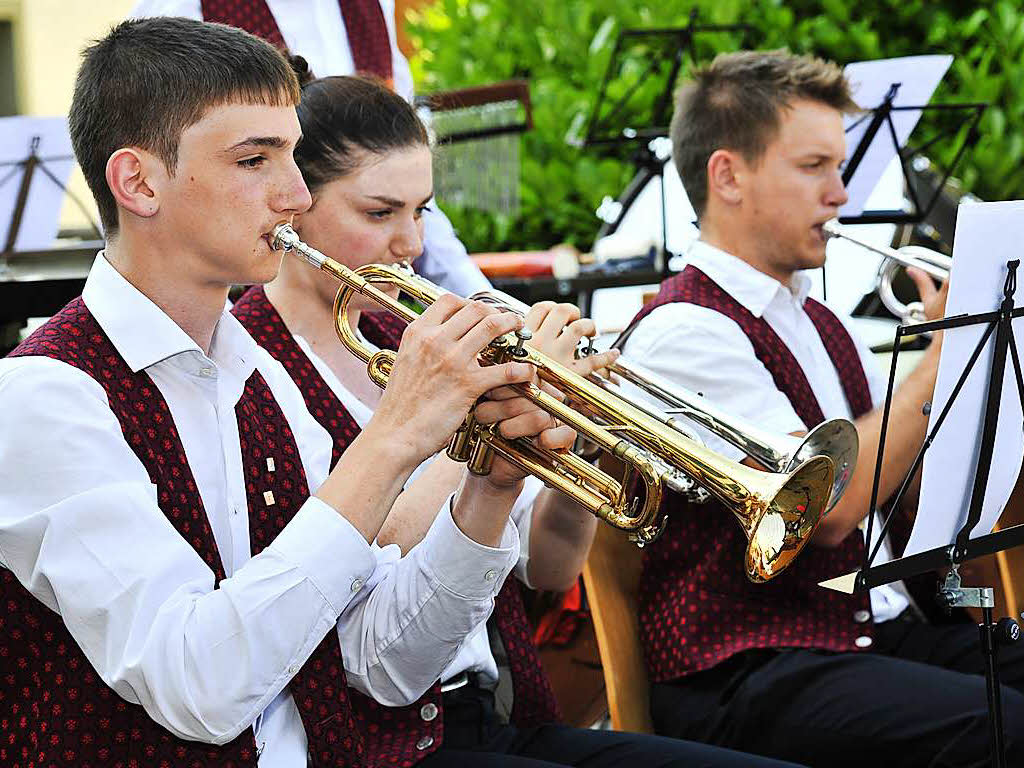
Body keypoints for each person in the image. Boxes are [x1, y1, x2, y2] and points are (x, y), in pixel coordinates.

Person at [0, 17, 576, 767]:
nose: (296, 194)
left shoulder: (260, 378)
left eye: (294, 158)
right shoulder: (40, 398)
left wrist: (489, 485)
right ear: (138, 182)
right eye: (254, 161)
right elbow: (198, 687)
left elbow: (379, 667)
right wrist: (396, 435)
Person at [229, 66, 803, 768]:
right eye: (379, 214)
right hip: (371, 738)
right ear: (296, 205)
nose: (411, 244)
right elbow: (347, 567)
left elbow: (553, 570)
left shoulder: (405, 337)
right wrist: (469, 413)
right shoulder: (248, 369)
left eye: (422, 212)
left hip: (495, 711)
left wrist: (580, 447)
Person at [618, 49, 1024, 768]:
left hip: (866, 629)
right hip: (751, 667)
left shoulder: (819, 321)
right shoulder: (684, 331)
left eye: (839, 168)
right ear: (728, 175)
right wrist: (939, 362)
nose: (840, 194)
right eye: (814, 168)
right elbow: (825, 510)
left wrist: (982, 363)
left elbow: (902, 498)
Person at [131, 0, 492, 297]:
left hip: (356, 301)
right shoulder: (177, 10)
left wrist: (488, 307)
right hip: (243, 297)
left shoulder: (374, 6)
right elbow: (151, 193)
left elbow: (402, 186)